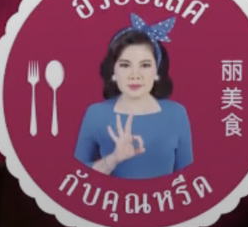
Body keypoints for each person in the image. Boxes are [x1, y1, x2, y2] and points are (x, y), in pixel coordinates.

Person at [74, 19, 193, 180]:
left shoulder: (177, 114)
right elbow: (75, 177)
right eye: (125, 65)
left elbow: (188, 179)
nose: (135, 75)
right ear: (113, 71)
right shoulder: (95, 114)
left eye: (145, 65)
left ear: (156, 70)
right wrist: (112, 159)